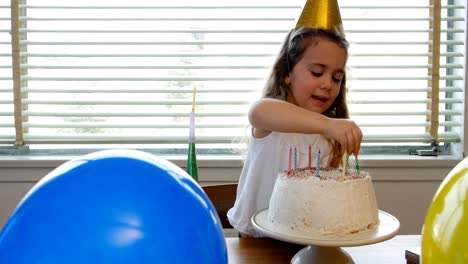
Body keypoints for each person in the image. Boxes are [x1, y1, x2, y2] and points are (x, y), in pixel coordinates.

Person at [226, 26, 363, 237]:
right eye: (317, 72)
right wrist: (329, 125)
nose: (327, 84)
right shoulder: (271, 121)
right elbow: (257, 111)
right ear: (286, 73)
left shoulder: (329, 138)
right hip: (258, 244)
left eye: (337, 78)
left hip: (311, 243)